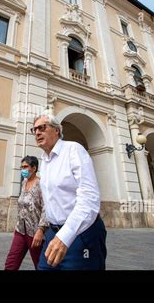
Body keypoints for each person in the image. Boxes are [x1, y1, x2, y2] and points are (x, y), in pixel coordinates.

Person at [32, 114, 107, 270]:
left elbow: (89, 198)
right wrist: (43, 229)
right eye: (34, 129)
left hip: (80, 234)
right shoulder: (43, 160)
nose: (37, 132)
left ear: (56, 130)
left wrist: (65, 236)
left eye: (42, 127)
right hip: (52, 234)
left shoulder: (74, 150)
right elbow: (50, 201)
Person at [4, 156, 48, 270]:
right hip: (20, 230)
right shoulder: (24, 183)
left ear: (33, 168)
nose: (22, 169)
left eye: (25, 167)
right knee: (11, 262)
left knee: (39, 264)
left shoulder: (41, 184)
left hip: (35, 233)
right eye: (21, 167)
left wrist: (41, 230)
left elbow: (46, 208)